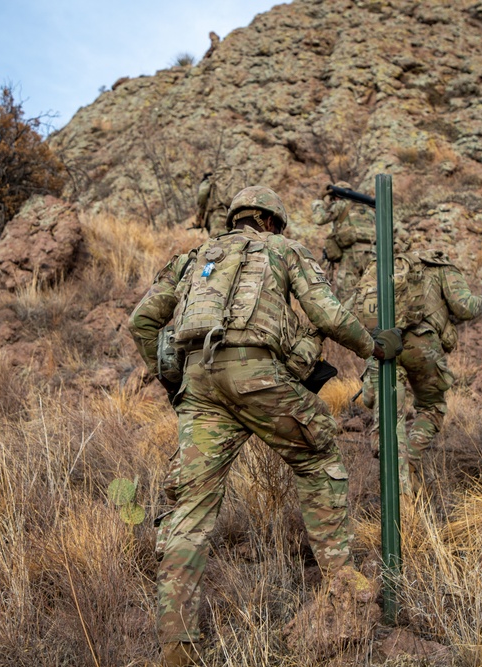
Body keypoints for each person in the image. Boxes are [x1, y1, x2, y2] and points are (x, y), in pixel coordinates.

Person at [128, 185, 402, 667]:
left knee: (189, 509)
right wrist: (373, 347)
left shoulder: (194, 258)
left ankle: (176, 646)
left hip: (200, 383)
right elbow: (327, 313)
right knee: (318, 455)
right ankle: (342, 580)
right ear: (273, 221)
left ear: (235, 218)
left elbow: (142, 321)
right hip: (256, 376)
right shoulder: (283, 249)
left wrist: (174, 383)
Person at [355, 248, 482, 493]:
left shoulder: (380, 269)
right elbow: (464, 306)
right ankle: (410, 461)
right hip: (422, 345)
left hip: (382, 345)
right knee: (432, 406)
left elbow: (352, 313)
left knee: (389, 419)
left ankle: (395, 483)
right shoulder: (440, 267)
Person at [311, 181, 376, 303]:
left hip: (352, 255)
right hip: (373, 254)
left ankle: (348, 320)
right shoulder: (368, 208)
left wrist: (319, 199)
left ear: (336, 196)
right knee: (370, 293)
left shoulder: (341, 205)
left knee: (346, 294)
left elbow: (319, 218)